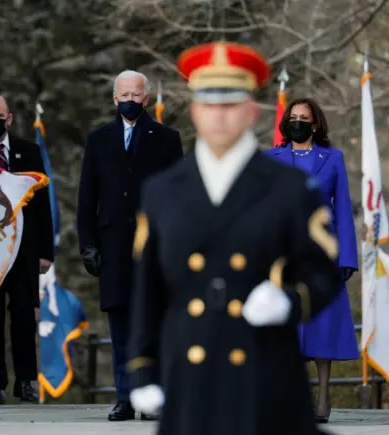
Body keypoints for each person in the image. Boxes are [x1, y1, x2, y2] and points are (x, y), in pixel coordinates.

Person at [127, 42, 341, 435]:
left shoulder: (290, 188)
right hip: (188, 377)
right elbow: (148, 289)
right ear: (194, 111)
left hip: (266, 372)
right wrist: (142, 370)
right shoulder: (163, 190)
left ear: (250, 112)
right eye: (209, 104)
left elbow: (322, 272)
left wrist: (289, 301)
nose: (219, 116)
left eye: (230, 104)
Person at [77, 70, 183, 421]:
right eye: (123, 94)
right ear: (113, 98)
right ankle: (125, 395)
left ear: (146, 98)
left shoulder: (167, 138)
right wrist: (88, 244)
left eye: (136, 94)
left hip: (155, 245)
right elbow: (87, 196)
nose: (129, 100)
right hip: (113, 246)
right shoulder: (99, 139)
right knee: (120, 323)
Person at [264, 97, 359, 423]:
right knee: (285, 326)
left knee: (322, 326)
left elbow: (344, 210)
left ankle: (322, 396)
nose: (298, 122)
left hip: (322, 255)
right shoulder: (270, 158)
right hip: (282, 256)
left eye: (304, 118)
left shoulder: (332, 158)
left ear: (315, 123)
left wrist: (347, 256)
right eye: (293, 117)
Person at [0, 94, 54, 404]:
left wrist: (46, 252)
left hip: (24, 251)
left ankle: (27, 381)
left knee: (23, 316)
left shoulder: (28, 151)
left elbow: (42, 205)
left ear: (9, 118)